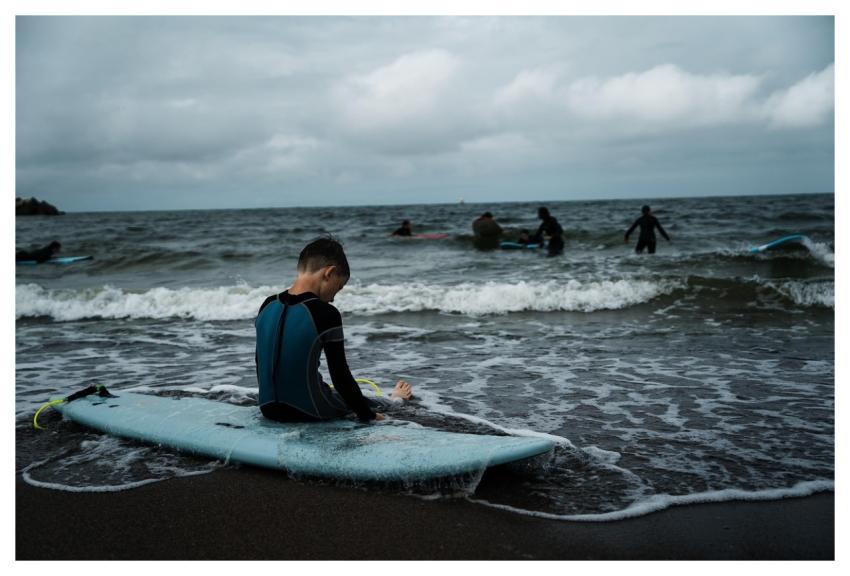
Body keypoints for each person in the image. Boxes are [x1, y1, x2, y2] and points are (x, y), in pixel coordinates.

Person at [255, 236, 413, 424]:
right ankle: (396, 398)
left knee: (332, 393)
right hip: (309, 410)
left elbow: (261, 362)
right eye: (338, 288)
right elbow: (340, 376)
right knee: (373, 403)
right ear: (329, 273)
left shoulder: (267, 305)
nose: (333, 298)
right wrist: (368, 416)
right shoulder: (326, 313)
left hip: (268, 408)